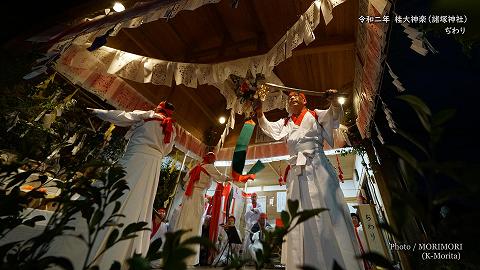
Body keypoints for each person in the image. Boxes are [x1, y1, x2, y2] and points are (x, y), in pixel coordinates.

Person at [254, 91, 363, 270]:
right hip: (296, 173)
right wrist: (260, 114)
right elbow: (270, 129)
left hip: (318, 166)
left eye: (296, 95)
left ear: (305, 100)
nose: (292, 98)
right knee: (299, 217)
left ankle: (338, 261)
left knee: (327, 209)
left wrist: (334, 101)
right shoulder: (286, 123)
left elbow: (334, 115)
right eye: (289, 97)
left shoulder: (315, 114)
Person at [85, 101, 177, 268]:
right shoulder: (172, 128)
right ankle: (129, 248)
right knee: (140, 202)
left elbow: (122, 116)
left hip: (136, 158)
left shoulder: (147, 115)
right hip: (153, 167)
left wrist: (98, 112)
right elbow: (168, 149)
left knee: (116, 188)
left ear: (158, 107)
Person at [173, 152, 228, 267]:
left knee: (184, 222)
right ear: (212, 160)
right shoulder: (209, 167)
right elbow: (221, 177)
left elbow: (185, 179)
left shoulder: (196, 166)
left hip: (188, 197)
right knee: (194, 224)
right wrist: (233, 177)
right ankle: (189, 258)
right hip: (197, 196)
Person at [243, 192, 263, 258]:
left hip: (257, 226)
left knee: (256, 241)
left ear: (257, 198)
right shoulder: (248, 205)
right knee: (248, 241)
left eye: (255, 197)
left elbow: (260, 212)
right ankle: (247, 258)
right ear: (251, 198)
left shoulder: (259, 204)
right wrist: (254, 211)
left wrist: (254, 209)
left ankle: (255, 258)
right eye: (252, 197)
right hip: (249, 225)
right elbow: (247, 214)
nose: (254, 198)